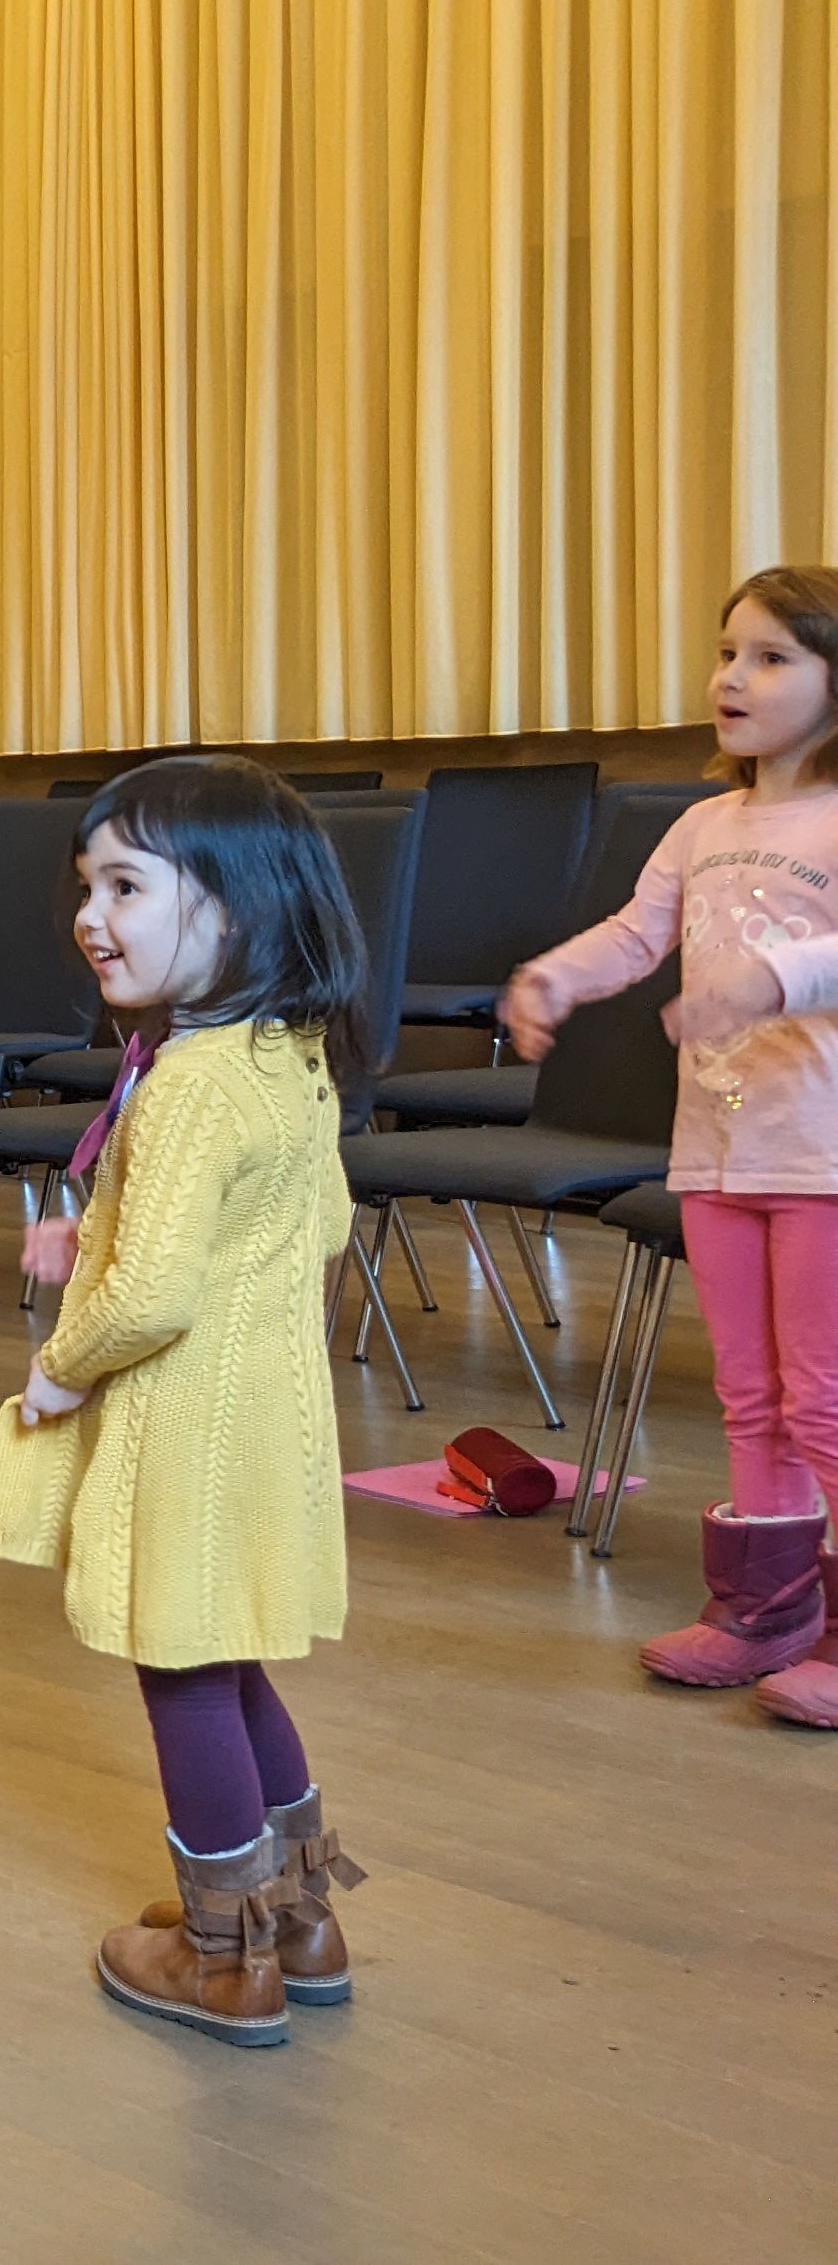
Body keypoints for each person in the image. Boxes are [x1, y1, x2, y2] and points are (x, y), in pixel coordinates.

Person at [0, 756, 370, 2047]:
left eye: (128, 887)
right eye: (88, 886)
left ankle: (223, 1958)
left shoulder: (191, 1081)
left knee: (185, 1675)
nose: (92, 916)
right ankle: (296, 1920)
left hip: (186, 1427)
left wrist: (61, 1365)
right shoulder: (285, 1055)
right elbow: (316, 1221)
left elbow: (149, 1299)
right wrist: (99, 1234)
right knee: (234, 1658)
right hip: (269, 1419)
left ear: (238, 907)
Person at [508, 564, 838, 1728]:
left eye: (772, 657)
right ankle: (767, 1608)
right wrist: (556, 976)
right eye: (727, 652)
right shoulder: (703, 824)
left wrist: (771, 978)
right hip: (717, 1151)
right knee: (750, 1394)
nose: (732, 678)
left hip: (820, 1157)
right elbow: (635, 932)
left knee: (824, 1399)